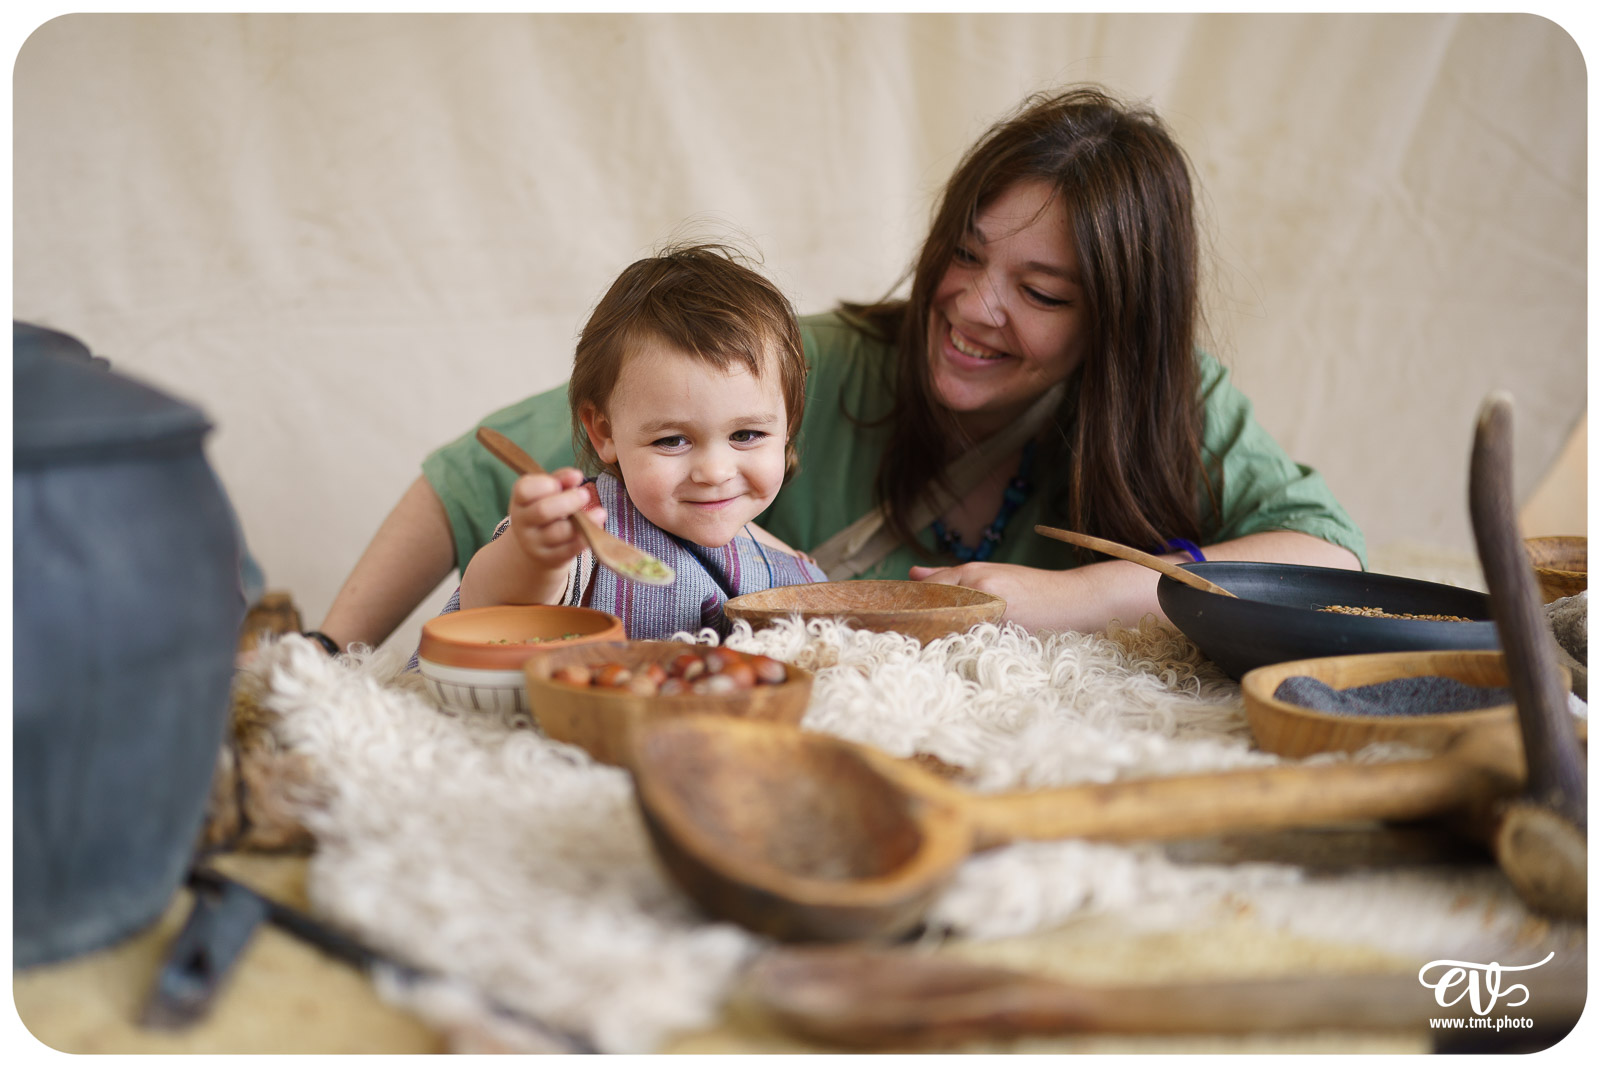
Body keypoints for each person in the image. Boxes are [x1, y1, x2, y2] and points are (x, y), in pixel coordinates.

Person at [313, 85, 1362, 650]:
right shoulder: (806, 361)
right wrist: (324, 659)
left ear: (1122, 322)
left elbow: (1326, 556)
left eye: (1041, 292)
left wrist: (1078, 596)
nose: (973, 308)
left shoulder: (1170, 403)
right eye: (964, 253)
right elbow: (465, 477)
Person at [432, 243, 825, 641]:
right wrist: (535, 558)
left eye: (746, 435)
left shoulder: (790, 572)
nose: (714, 471)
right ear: (604, 433)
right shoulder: (584, 531)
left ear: (789, 424)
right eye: (672, 440)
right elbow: (488, 607)